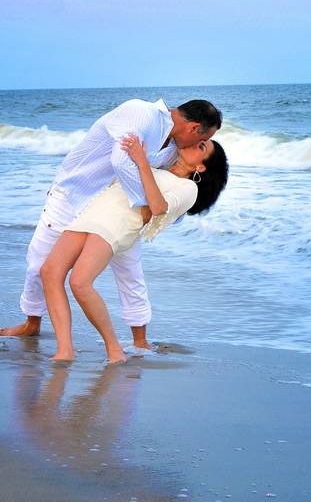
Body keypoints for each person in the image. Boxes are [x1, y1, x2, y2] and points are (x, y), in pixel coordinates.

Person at [0, 99, 222, 350]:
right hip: (74, 195)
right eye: (203, 139)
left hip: (118, 213)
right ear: (193, 128)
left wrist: (160, 212)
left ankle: (140, 341)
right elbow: (122, 161)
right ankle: (32, 322)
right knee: (40, 264)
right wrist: (145, 204)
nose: (196, 145)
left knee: (130, 273)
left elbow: (167, 189)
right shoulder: (141, 113)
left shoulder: (174, 151)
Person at [41, 134, 228, 362]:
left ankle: (114, 349)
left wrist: (141, 162)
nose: (193, 142)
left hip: (117, 223)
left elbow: (158, 207)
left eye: (201, 146)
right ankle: (65, 351)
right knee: (49, 271)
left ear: (201, 166)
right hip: (94, 210)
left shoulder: (188, 188)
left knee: (79, 282)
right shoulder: (158, 164)